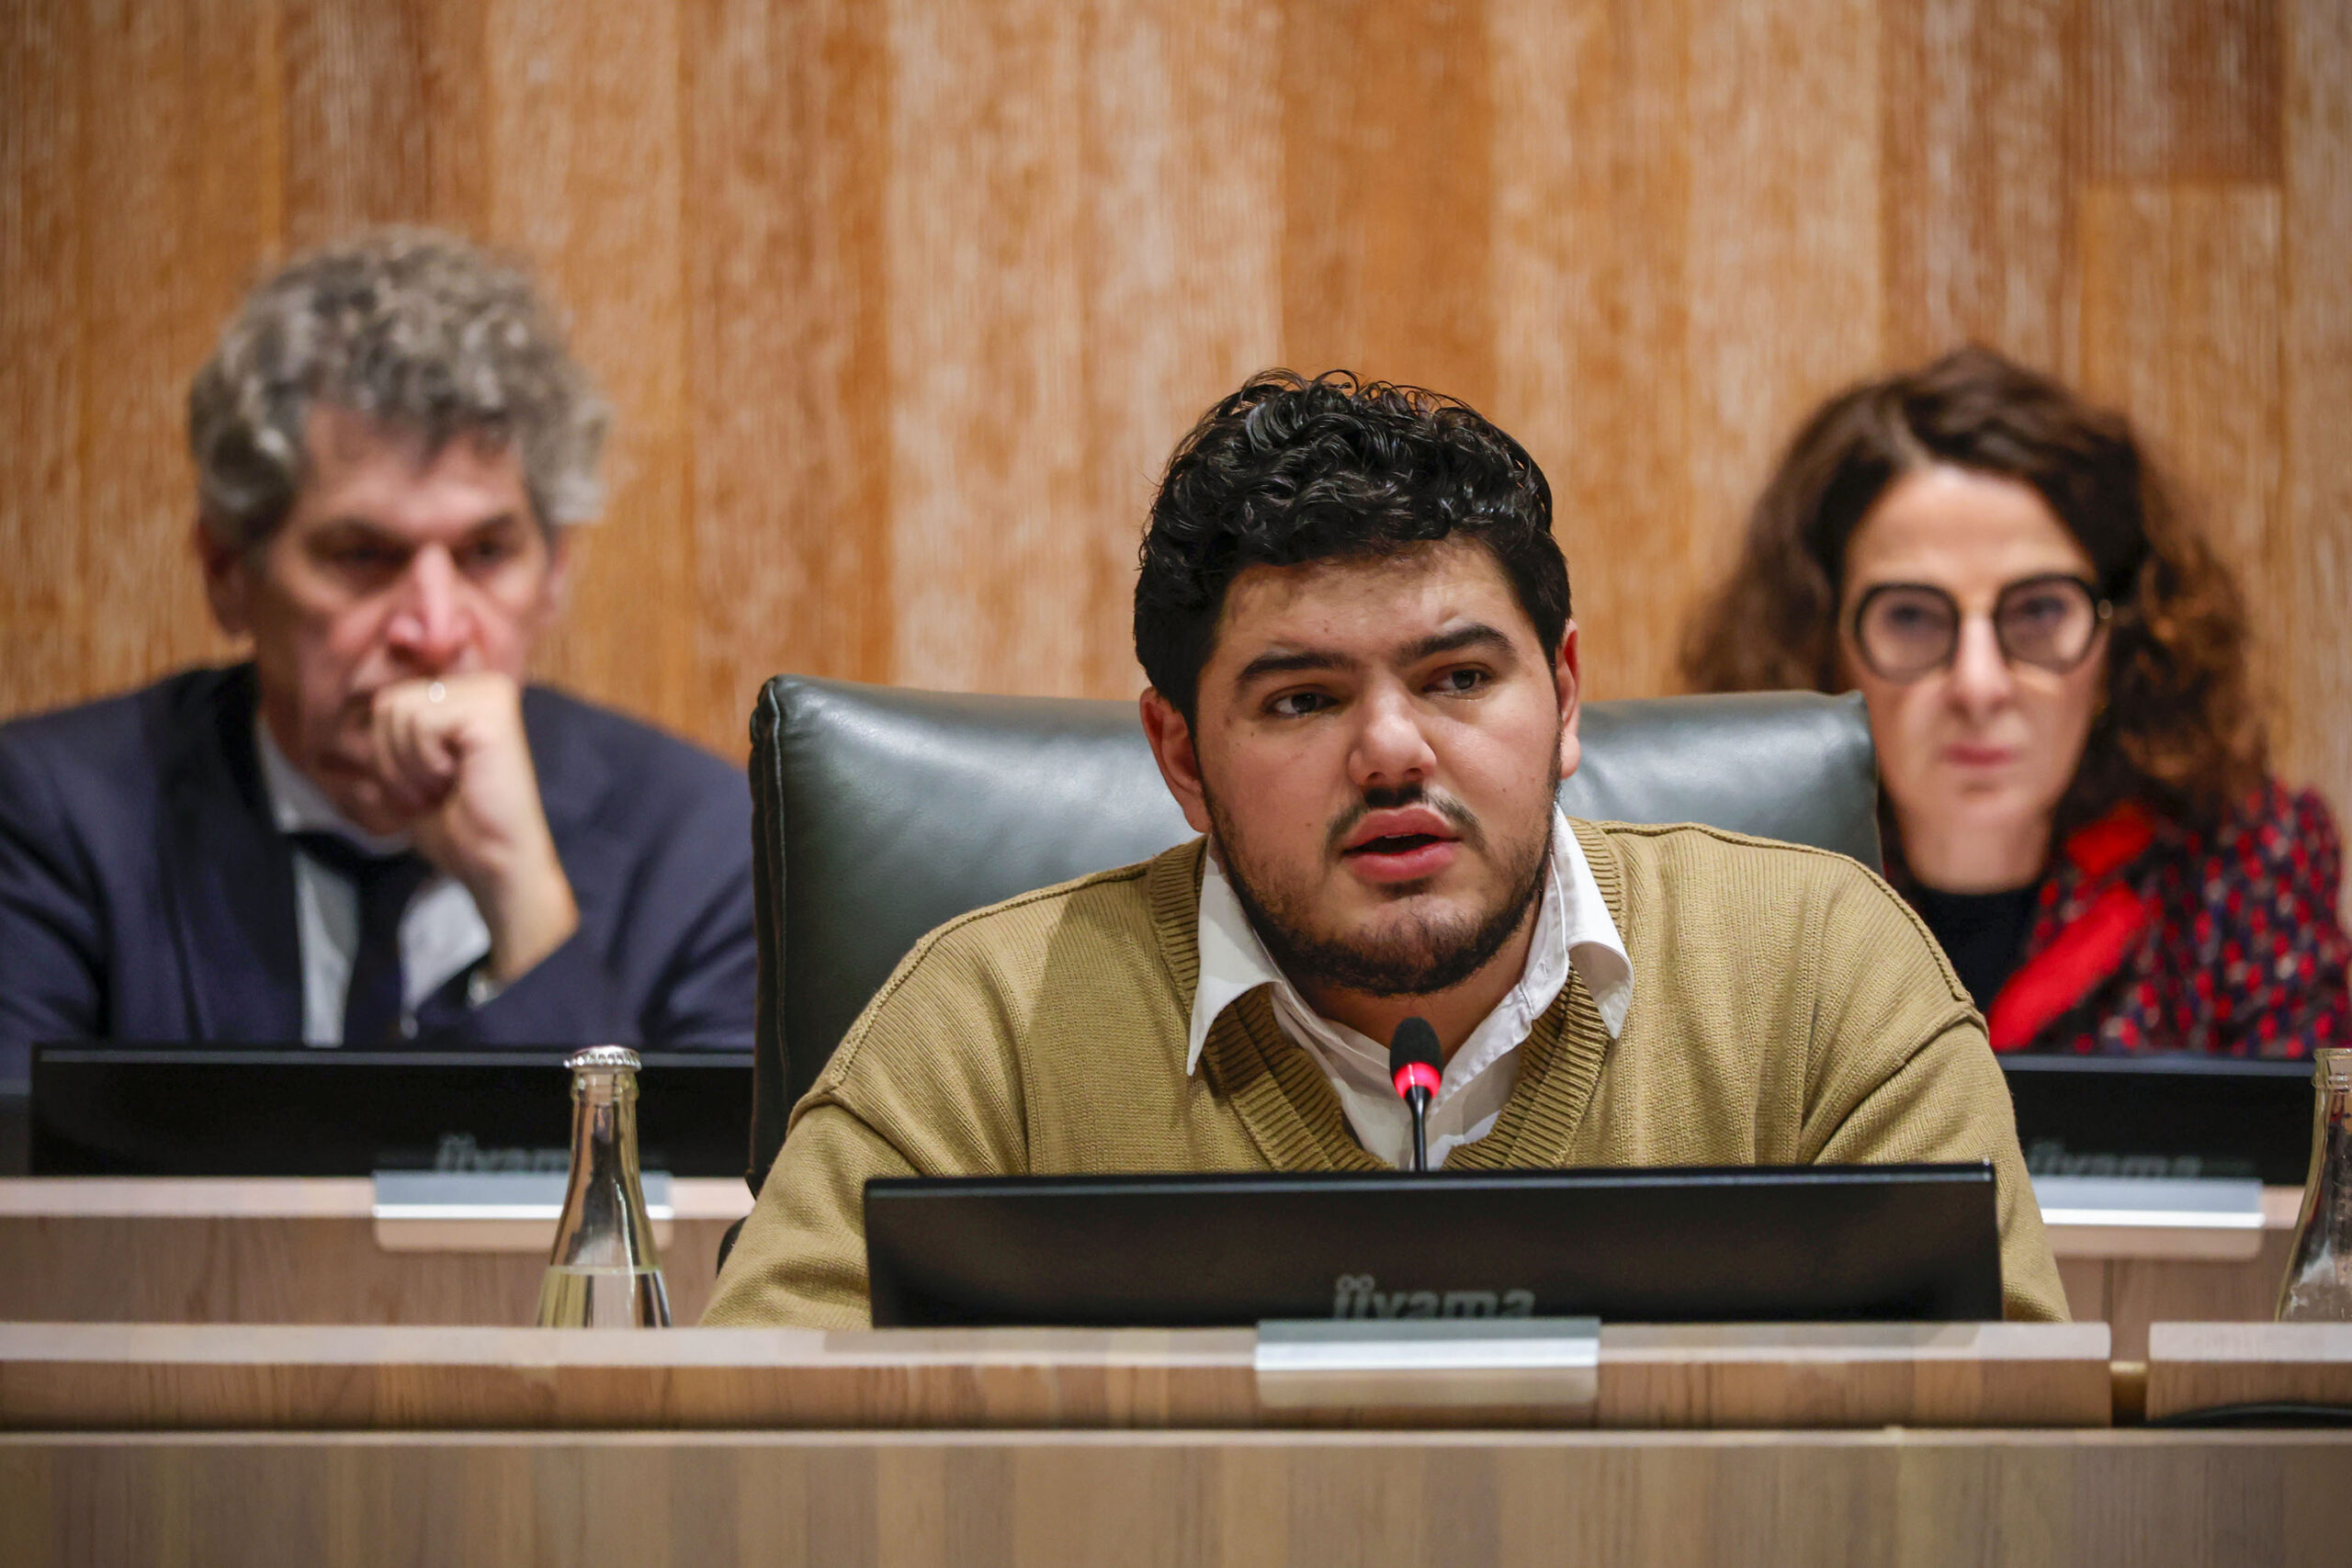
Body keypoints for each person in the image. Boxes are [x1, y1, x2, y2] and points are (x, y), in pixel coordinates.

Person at [705, 369, 2065, 1327]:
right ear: (1181, 755)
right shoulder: (992, 1026)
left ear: (1568, 696)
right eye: (1301, 698)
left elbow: (2015, 1451)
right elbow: (743, 1464)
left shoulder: (1820, 974)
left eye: (1461, 677)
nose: (1395, 751)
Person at [0, 231, 755, 1052]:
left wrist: (523, 898)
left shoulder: (701, 847)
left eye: (487, 554)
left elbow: (688, 1177)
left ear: (555, 572)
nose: (433, 632)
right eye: (363, 556)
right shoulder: (58, 818)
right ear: (226, 572)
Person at [1682, 346, 2350, 1057]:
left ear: (2121, 637)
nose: (1979, 684)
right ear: (1822, 646)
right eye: (1910, 616)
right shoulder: (1737, 887)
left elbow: (2317, 1156)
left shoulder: (2242, 867)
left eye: (2037, 612)